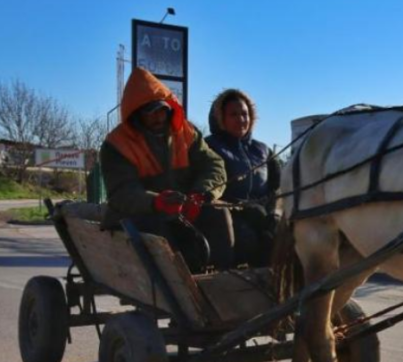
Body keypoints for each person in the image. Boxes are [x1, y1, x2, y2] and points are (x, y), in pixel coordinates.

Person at [101, 67, 234, 272]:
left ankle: (223, 278)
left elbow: (213, 165)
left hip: (183, 208)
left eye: (162, 110)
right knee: (160, 230)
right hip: (139, 215)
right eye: (150, 112)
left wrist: (201, 194)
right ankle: (180, 287)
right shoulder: (116, 145)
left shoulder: (186, 132)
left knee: (219, 213)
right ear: (136, 113)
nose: (159, 118)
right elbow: (121, 193)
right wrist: (156, 201)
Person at [205, 89, 281, 267]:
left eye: (245, 114)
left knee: (283, 238)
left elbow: (278, 187)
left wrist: (275, 213)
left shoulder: (263, 150)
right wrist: (240, 208)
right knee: (249, 241)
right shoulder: (210, 146)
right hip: (229, 217)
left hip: (263, 215)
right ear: (220, 118)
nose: (241, 119)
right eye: (233, 114)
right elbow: (208, 185)